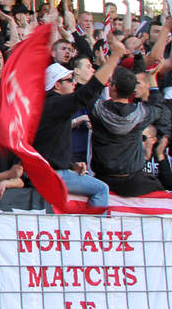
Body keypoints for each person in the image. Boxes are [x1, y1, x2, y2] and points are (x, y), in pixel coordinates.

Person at [36, 35, 124, 209]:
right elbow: (88, 92)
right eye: (69, 80)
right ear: (57, 85)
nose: (74, 83)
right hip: (52, 176)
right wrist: (114, 58)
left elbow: (48, 148)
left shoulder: (50, 105)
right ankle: (96, 231)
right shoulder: (55, 103)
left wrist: (71, 165)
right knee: (101, 189)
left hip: (52, 171)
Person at [90, 65, 164, 195]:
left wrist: (104, 71)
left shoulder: (96, 109)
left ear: (113, 87)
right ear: (133, 91)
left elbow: (89, 94)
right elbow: (157, 107)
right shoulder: (142, 114)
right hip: (134, 183)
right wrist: (152, 79)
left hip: (102, 182)